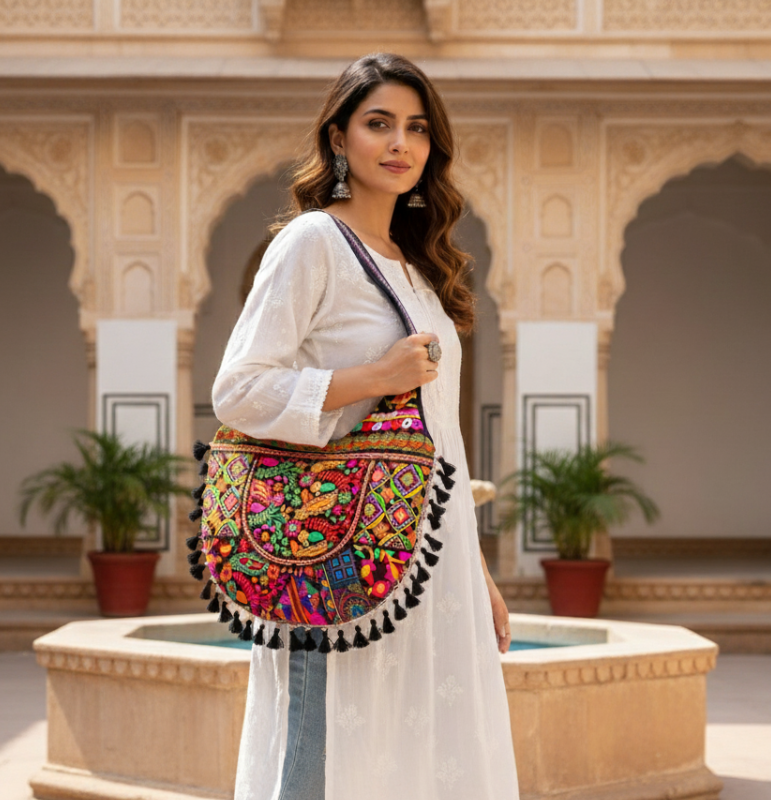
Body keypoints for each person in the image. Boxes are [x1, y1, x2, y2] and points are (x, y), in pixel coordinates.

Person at [212, 52, 520, 800]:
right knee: (333, 752)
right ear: (339, 137)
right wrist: (374, 379)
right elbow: (239, 391)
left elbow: (437, 436)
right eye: (378, 123)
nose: (399, 143)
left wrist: (475, 572)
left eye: (416, 128)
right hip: (340, 554)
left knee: (416, 754)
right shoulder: (313, 242)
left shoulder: (417, 268)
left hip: (427, 559)